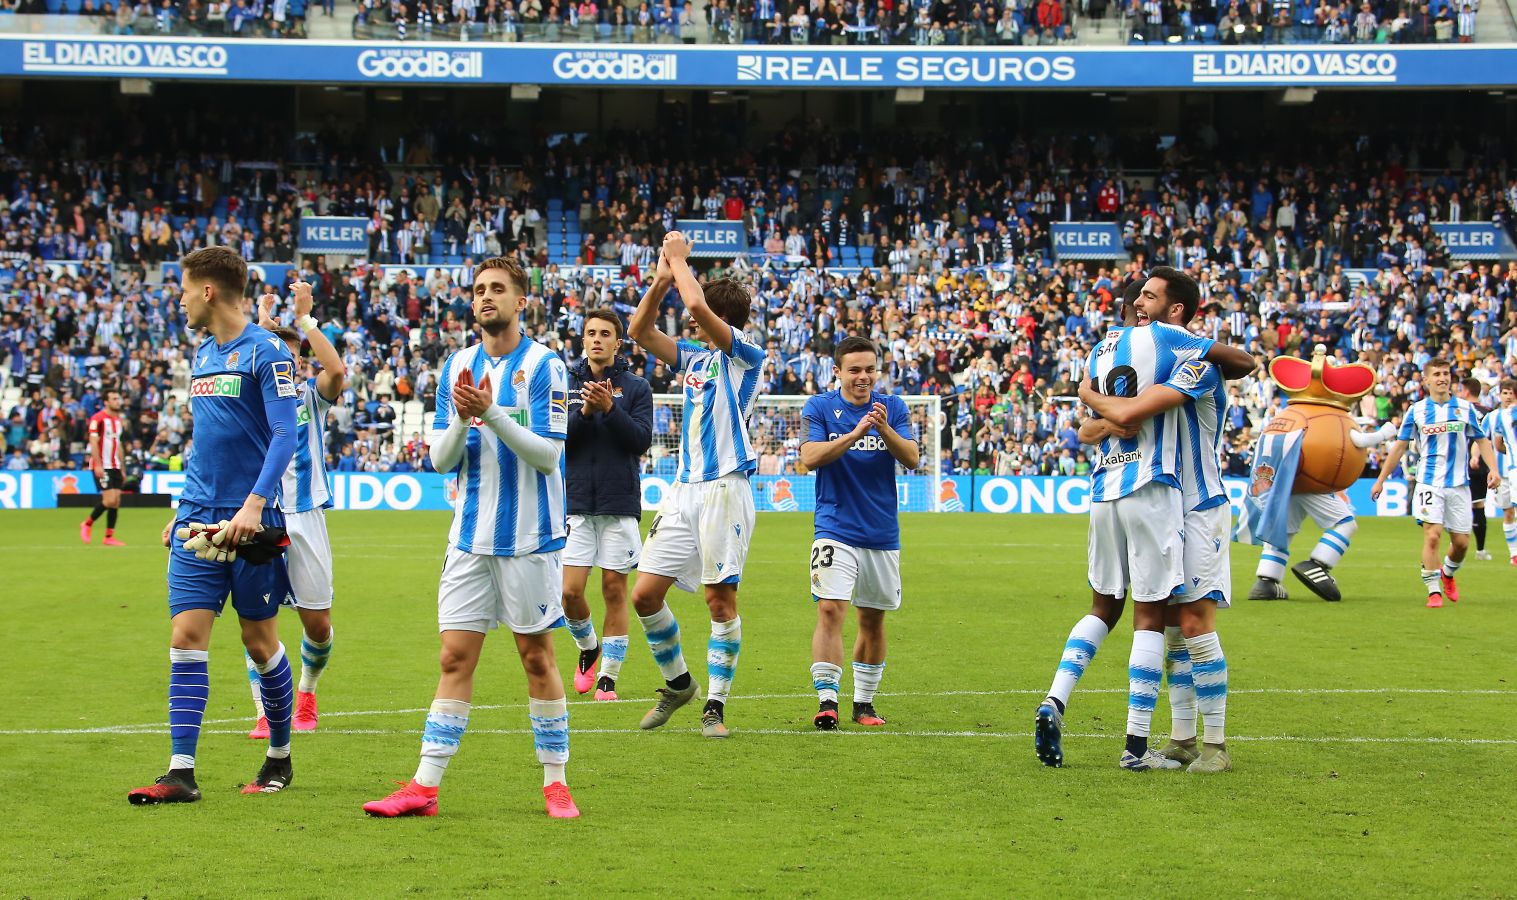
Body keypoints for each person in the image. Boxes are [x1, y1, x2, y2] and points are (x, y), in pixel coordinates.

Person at [363, 256, 578, 819]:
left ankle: (556, 783)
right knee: (454, 658)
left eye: (498, 290)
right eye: (479, 290)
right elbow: (440, 461)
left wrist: (493, 414)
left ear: (520, 301)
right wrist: (463, 418)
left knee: (536, 658)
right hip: (467, 538)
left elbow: (549, 456)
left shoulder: (545, 366)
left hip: (530, 539)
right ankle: (424, 786)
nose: (486, 298)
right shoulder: (458, 364)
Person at [1031, 269, 1255, 772]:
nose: (1136, 302)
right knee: (1172, 629)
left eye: (1149, 297)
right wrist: (1104, 410)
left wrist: (1088, 394)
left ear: (1175, 311)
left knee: (1193, 623)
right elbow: (1095, 430)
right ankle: (1180, 741)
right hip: (1161, 501)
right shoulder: (1145, 360)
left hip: (1198, 504)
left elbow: (1133, 412)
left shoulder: (1194, 363)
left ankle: (1215, 746)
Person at [127, 246, 301, 804]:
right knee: (186, 637)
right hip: (198, 518)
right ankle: (181, 772)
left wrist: (253, 504)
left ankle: (279, 753)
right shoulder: (203, 354)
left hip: (255, 519)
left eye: (183, 290)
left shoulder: (268, 352)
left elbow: (285, 435)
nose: (178, 301)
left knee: (259, 641)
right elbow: (207, 442)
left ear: (207, 291)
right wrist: (184, 507)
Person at [625, 232, 764, 739]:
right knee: (643, 595)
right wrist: (661, 279)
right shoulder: (696, 360)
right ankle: (679, 684)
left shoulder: (744, 355)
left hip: (726, 489)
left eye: (698, 311)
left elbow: (696, 303)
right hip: (683, 492)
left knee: (719, 602)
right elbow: (639, 330)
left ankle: (715, 707)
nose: (687, 317)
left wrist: (680, 260)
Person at [242, 280, 346, 738]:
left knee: (318, 626)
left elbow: (337, 371)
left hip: (305, 514)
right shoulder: (249, 401)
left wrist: (305, 321)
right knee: (256, 621)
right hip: (258, 514)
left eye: (294, 357)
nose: (287, 363)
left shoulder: (308, 398)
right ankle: (267, 709)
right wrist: (262, 328)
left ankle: (306, 690)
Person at [798, 336, 919, 730]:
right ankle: (828, 700)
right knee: (830, 609)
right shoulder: (819, 407)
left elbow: (913, 458)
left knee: (872, 620)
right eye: (854, 370)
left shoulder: (893, 407)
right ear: (838, 372)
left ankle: (863, 704)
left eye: (869, 369)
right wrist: (852, 435)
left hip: (882, 531)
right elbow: (809, 457)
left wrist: (882, 428)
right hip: (834, 526)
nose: (863, 377)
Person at [562, 306, 653, 701]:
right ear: (582, 339)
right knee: (569, 593)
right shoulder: (564, 384)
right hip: (575, 502)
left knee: (614, 591)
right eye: (590, 333)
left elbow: (640, 440)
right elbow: (558, 438)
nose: (597, 339)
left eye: (605, 334)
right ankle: (588, 648)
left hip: (619, 503)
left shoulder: (636, 388)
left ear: (618, 342)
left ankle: (608, 679)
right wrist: (584, 410)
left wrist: (611, 409)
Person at [1371, 358, 1501, 608]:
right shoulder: (1416, 410)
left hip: (1459, 485)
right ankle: (1433, 591)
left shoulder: (1465, 408)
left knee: (1462, 543)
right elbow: (1399, 447)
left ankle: (1448, 573)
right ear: (1426, 379)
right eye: (1437, 374)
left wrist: (1493, 470)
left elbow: (1482, 441)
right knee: (1432, 536)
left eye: (1446, 373)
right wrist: (1380, 480)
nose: (1442, 378)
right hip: (1428, 483)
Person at [82, 389, 127, 547]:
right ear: (106, 402)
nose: (117, 401)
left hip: (114, 465)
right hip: (103, 464)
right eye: (114, 398)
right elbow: (93, 442)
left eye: (118, 398)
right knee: (109, 500)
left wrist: (122, 468)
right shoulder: (98, 419)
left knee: (116, 501)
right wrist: (98, 464)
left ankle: (108, 536)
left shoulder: (118, 421)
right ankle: (87, 523)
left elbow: (119, 445)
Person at [1457, 378, 1494, 560]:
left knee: (1458, 506)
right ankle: (1480, 550)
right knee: (1478, 505)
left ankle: (1455, 544)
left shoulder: (1459, 411)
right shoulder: (1488, 412)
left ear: (1466, 391)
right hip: (1480, 467)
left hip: (1458, 465)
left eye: (1460, 390)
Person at [1484, 380, 1517, 565]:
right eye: (1505, 393)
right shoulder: (1493, 417)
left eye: (1511, 393)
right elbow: (1484, 441)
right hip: (1502, 473)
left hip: (1513, 470)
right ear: (1500, 395)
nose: (1509, 396)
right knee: (1508, 513)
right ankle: (1514, 553)